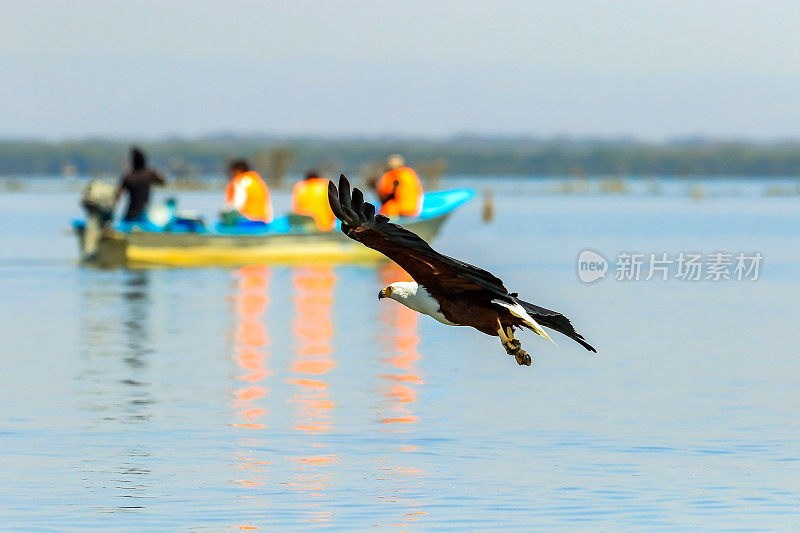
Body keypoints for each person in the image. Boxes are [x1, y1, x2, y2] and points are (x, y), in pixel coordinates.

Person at [115, 147, 166, 222]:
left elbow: (117, 196)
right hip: (144, 214)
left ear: (133, 162)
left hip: (130, 214)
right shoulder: (149, 174)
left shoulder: (128, 177)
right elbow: (163, 182)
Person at [224, 159, 273, 223]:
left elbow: (238, 203)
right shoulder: (257, 181)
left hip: (247, 221)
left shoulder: (240, 181)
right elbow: (268, 205)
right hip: (263, 221)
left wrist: (225, 211)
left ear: (237, 171)